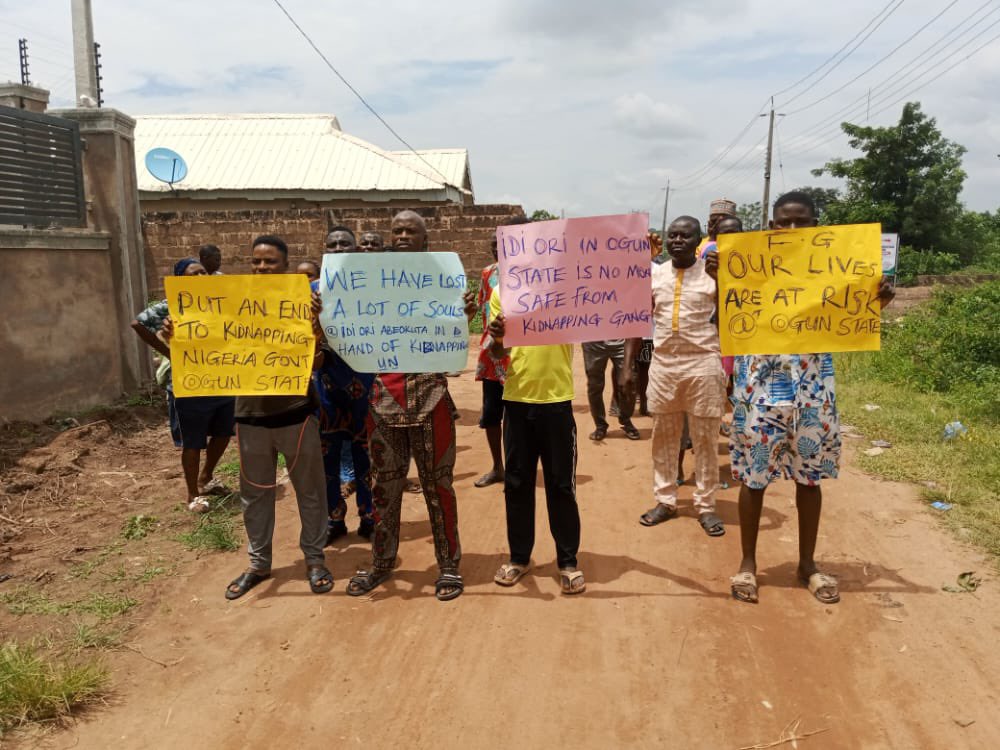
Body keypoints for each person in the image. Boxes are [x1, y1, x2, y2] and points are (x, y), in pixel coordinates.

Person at [718, 191, 895, 605]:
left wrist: (878, 302)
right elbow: (730, 306)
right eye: (783, 222)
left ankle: (807, 565)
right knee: (753, 478)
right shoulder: (753, 266)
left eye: (802, 222)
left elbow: (853, 317)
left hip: (813, 390)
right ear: (771, 226)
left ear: (818, 225)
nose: (792, 229)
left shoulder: (835, 268)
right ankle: (748, 564)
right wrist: (718, 275)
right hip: (759, 388)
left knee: (809, 479)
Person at [165, 236, 333, 600]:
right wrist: (176, 340)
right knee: (255, 495)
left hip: (296, 415)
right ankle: (258, 564)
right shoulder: (230, 304)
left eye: (270, 262)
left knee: (310, 491)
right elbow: (205, 351)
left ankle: (315, 560)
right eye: (256, 261)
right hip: (250, 417)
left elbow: (317, 363)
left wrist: (315, 326)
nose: (261, 268)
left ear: (285, 266)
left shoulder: (300, 305)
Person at [347, 210, 465, 602]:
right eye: (395, 230)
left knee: (439, 488)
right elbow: (343, 334)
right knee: (384, 490)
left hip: (431, 401)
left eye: (409, 231)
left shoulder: (444, 283)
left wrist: (463, 312)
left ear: (425, 240)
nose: (401, 236)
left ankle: (448, 565)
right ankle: (382, 563)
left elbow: (455, 344)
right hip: (383, 403)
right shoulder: (364, 288)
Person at [487, 218, 585, 595]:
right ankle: (519, 558)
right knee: (516, 483)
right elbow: (499, 353)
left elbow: (606, 307)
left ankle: (568, 561)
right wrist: (497, 339)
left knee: (561, 484)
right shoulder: (503, 294)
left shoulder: (569, 288)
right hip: (516, 400)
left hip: (557, 402)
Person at [622, 216, 727, 538]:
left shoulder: (713, 273)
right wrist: (627, 367)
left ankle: (706, 506)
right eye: (673, 235)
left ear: (699, 241)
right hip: (665, 364)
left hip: (704, 363)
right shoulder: (653, 275)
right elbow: (637, 320)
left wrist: (721, 282)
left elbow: (734, 319)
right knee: (663, 438)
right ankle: (665, 500)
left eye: (686, 236)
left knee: (705, 439)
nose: (678, 240)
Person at [131, 258, 235, 514]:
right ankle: (192, 494)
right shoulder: (172, 306)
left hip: (221, 382)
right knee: (192, 442)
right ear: (180, 280)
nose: (200, 278)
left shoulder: (220, 304)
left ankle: (206, 477)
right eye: (193, 274)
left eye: (203, 273)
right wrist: (167, 351)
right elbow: (138, 324)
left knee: (223, 434)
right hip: (188, 385)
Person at [312, 226, 376, 543]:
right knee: (328, 457)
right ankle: (334, 520)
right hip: (327, 387)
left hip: (366, 384)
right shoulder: (313, 292)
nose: (338, 248)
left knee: (366, 453)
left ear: (356, 249)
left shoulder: (375, 288)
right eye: (332, 244)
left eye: (345, 244)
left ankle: (369, 516)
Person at [469, 220, 515, 488]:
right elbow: (481, 308)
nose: (498, 250)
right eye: (494, 246)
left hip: (517, 354)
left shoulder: (530, 275)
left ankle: (514, 465)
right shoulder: (488, 274)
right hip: (491, 354)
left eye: (503, 245)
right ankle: (498, 467)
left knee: (515, 414)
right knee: (491, 413)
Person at [582, 339, 640, 441]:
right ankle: (600, 425)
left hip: (621, 340)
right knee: (594, 386)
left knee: (629, 383)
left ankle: (625, 419)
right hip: (593, 341)